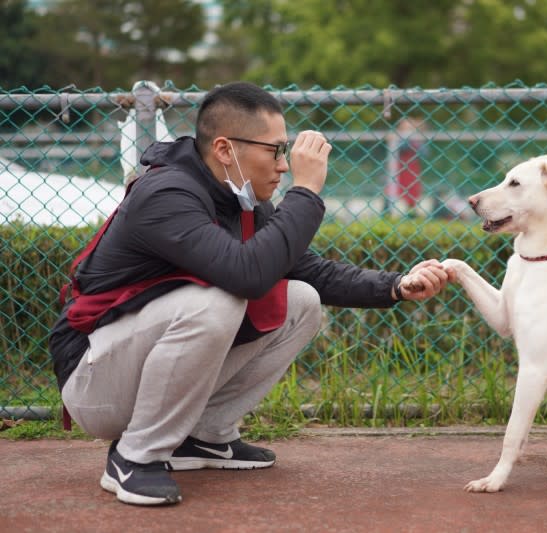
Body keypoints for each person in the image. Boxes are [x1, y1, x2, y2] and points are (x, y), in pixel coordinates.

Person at [49, 81, 449, 506]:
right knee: (217, 300)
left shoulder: (237, 198)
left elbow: (308, 272)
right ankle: (134, 457)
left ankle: (203, 436)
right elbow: (247, 276)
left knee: (301, 301)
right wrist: (306, 191)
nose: (283, 164)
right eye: (275, 150)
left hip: (130, 366)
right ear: (224, 149)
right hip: (94, 381)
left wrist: (395, 285)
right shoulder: (166, 194)